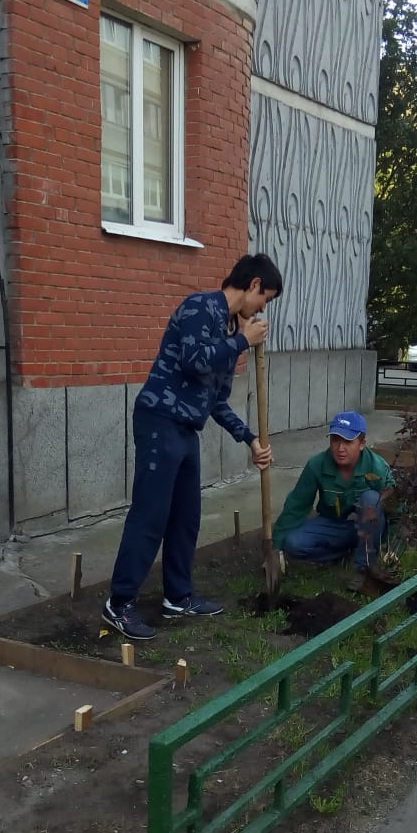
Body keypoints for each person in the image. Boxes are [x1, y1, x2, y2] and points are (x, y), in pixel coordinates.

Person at [104, 254, 283, 640]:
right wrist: (240, 341)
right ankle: (119, 604)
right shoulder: (200, 307)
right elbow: (192, 360)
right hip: (159, 420)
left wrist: (249, 438)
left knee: (186, 516)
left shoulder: (228, 329)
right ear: (253, 285)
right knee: (151, 515)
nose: (262, 310)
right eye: (264, 299)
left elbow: (216, 400)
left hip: (186, 430)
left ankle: (178, 596)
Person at [272, 411, 397, 589]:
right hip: (334, 525)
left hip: (370, 528)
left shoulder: (377, 467)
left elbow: (394, 507)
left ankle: (363, 568)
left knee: (371, 499)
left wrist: (392, 545)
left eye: (348, 442)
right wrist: (275, 548)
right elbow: (296, 505)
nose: (340, 448)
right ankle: (343, 553)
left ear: (362, 444)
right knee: (293, 543)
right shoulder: (317, 465)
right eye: (335, 440)